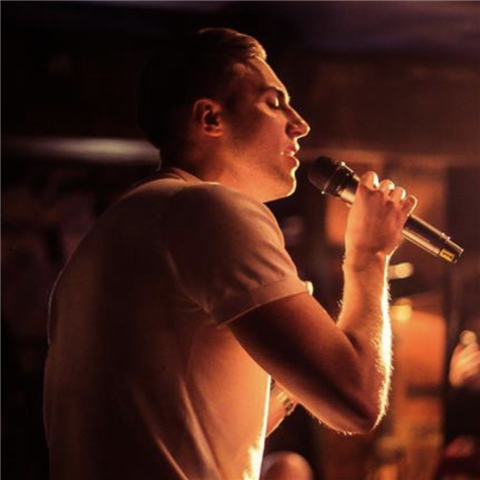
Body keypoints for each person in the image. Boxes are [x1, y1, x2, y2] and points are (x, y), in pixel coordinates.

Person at [43, 28, 417, 480]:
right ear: (210, 118)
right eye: (274, 103)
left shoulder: (117, 228)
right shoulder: (208, 208)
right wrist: (369, 255)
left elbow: (197, 428)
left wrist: (292, 365)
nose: (300, 123)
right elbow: (356, 403)